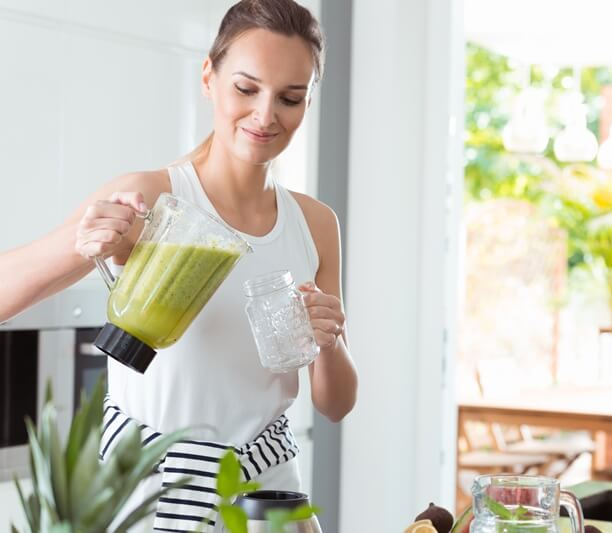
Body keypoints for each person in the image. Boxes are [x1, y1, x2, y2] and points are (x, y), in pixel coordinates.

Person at [0, 0, 357, 530]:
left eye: (290, 97)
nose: (265, 115)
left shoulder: (315, 223)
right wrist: (81, 244)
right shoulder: (152, 198)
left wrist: (328, 343)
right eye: (246, 88)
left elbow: (336, 404)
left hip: (268, 493)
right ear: (209, 76)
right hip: (151, 494)